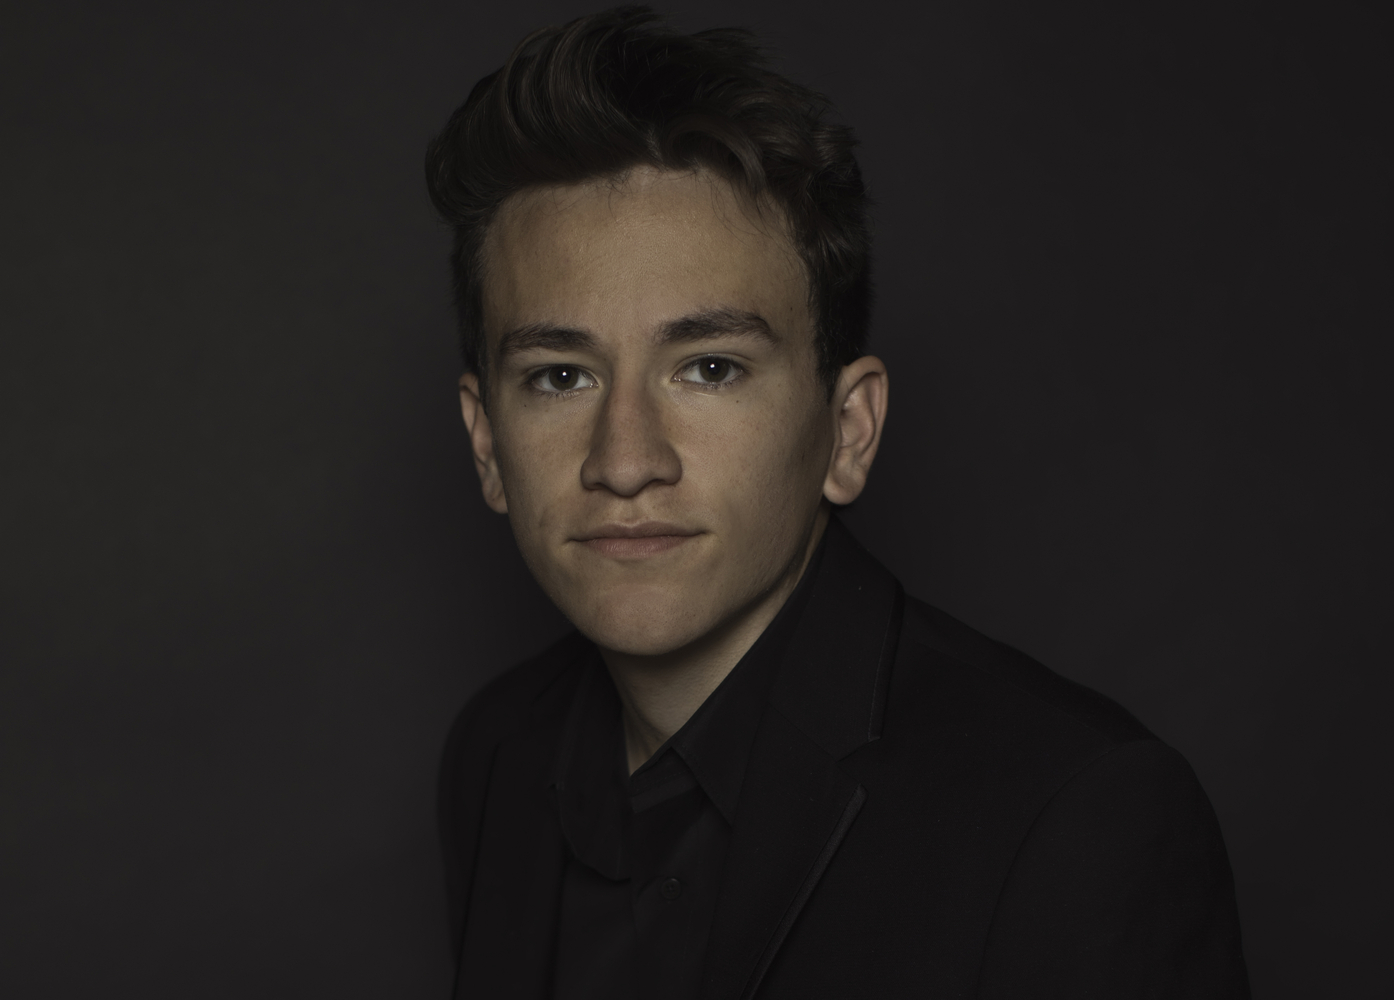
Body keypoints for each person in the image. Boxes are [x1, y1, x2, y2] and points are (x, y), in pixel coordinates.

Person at [426, 6, 1250, 998]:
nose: (626, 460)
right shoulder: (497, 753)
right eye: (560, 377)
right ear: (486, 442)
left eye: (711, 367)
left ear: (848, 431)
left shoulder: (1076, 819)